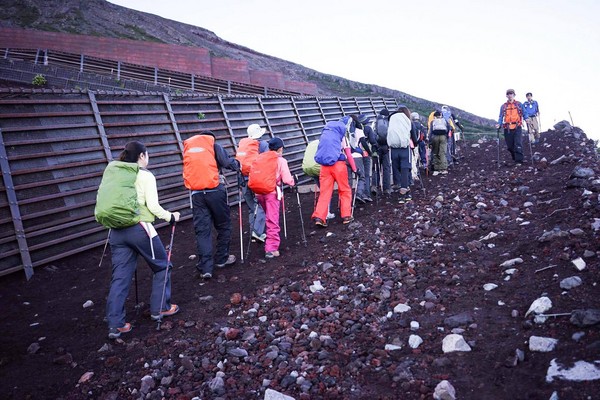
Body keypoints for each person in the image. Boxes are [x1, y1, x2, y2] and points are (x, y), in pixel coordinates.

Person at [105, 141, 181, 339]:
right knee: (162, 266)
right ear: (141, 156)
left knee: (120, 277)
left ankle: (116, 324)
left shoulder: (116, 173)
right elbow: (153, 207)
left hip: (116, 231)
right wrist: (171, 216)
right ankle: (160, 308)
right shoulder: (145, 175)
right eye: (147, 155)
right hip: (140, 228)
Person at [183, 131, 241, 279]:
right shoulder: (214, 146)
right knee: (223, 224)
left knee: (202, 230)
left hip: (196, 194)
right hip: (215, 191)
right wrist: (238, 165)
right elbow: (227, 163)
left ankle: (206, 268)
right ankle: (221, 259)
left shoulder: (190, 149)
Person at [253, 137, 295, 258]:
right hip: (272, 192)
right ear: (280, 148)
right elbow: (287, 179)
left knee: (268, 217)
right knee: (272, 219)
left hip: (259, 192)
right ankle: (271, 248)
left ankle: (269, 242)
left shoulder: (261, 158)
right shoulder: (280, 160)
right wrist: (292, 182)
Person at [312, 120, 358, 227]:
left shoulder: (326, 135)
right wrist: (355, 169)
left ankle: (320, 217)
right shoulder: (342, 137)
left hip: (324, 166)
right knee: (344, 189)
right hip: (338, 165)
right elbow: (349, 155)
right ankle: (346, 216)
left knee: (324, 192)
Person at [236, 123, 268, 242]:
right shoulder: (263, 144)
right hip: (256, 179)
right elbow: (267, 161)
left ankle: (253, 232)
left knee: (251, 207)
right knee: (260, 204)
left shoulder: (243, 145)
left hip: (243, 180)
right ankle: (258, 231)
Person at [388, 105, 418, 203]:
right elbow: (413, 135)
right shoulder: (407, 120)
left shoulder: (392, 119)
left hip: (393, 149)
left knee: (398, 170)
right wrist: (415, 144)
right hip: (404, 148)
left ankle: (405, 190)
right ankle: (403, 194)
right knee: (405, 170)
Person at [302, 139, 335, 220]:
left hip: (308, 168)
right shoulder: (325, 142)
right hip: (318, 167)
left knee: (322, 190)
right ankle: (326, 213)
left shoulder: (312, 143)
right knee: (326, 191)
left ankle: (321, 211)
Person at [496, 89, 525, 164]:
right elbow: (501, 116)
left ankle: (519, 161)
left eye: (511, 93)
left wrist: (527, 119)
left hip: (517, 126)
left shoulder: (519, 104)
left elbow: (524, 113)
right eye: (508, 94)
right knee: (510, 146)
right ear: (506, 96)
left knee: (518, 143)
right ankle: (515, 157)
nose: (510, 95)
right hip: (507, 127)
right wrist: (499, 123)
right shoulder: (503, 106)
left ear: (514, 95)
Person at [358, 114, 378, 201]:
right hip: (366, 154)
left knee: (360, 175)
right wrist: (372, 151)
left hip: (356, 156)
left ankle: (359, 193)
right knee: (366, 174)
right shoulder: (368, 129)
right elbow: (373, 141)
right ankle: (367, 194)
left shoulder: (356, 129)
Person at [374, 108, 392, 194]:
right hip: (386, 147)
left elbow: (373, 133)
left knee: (376, 167)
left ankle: (375, 186)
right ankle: (387, 188)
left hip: (377, 147)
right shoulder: (389, 122)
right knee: (386, 167)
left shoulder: (376, 121)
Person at [428, 110, 451, 175]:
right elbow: (449, 128)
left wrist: (430, 142)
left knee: (435, 152)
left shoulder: (433, 122)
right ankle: (443, 169)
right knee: (442, 152)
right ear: (440, 115)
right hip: (443, 137)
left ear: (434, 116)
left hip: (435, 137)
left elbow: (431, 132)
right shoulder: (444, 121)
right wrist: (446, 136)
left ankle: (436, 169)